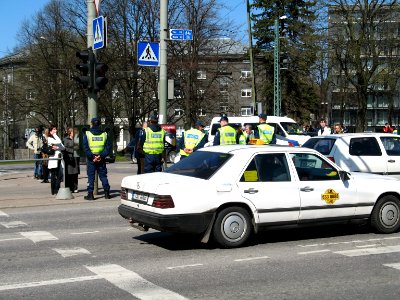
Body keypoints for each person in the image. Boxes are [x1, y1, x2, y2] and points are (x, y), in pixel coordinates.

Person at [82, 118, 111, 200]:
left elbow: (85, 148)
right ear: (100, 124)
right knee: (103, 176)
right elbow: (108, 148)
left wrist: (92, 157)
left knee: (91, 177)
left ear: (91, 124)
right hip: (101, 158)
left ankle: (90, 194)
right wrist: (100, 156)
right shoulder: (105, 134)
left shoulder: (87, 134)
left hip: (91, 159)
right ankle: (106, 194)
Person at [47, 125, 65, 195]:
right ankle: (53, 190)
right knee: (53, 175)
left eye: (56, 129)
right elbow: (59, 141)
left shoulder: (55, 138)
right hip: (53, 159)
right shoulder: (50, 138)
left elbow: (63, 147)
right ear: (51, 131)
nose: (56, 131)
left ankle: (57, 188)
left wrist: (57, 147)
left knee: (60, 174)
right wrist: (54, 135)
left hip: (59, 158)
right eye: (54, 129)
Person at [63, 127, 80, 193]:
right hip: (69, 158)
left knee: (75, 173)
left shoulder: (77, 139)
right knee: (69, 173)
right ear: (70, 132)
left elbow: (79, 146)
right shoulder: (65, 139)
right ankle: (69, 187)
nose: (75, 133)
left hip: (76, 158)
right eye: (73, 132)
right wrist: (72, 150)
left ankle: (75, 187)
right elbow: (65, 148)